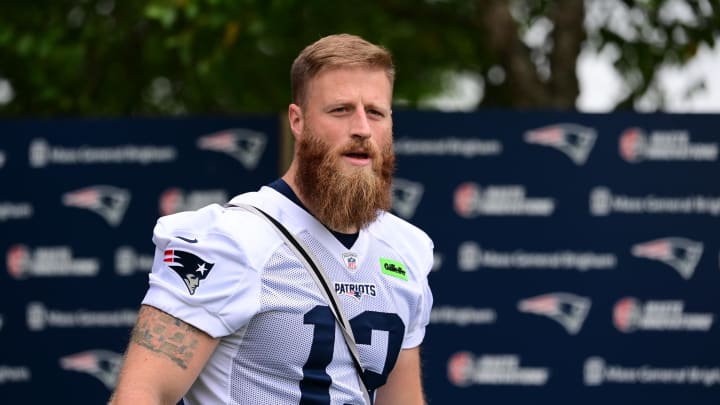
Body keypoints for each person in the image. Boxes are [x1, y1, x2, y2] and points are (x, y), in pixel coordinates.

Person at [108, 33, 434, 405]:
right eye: (340, 110)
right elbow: (143, 393)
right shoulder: (230, 238)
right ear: (297, 120)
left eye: (375, 112)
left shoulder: (407, 249)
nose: (361, 128)